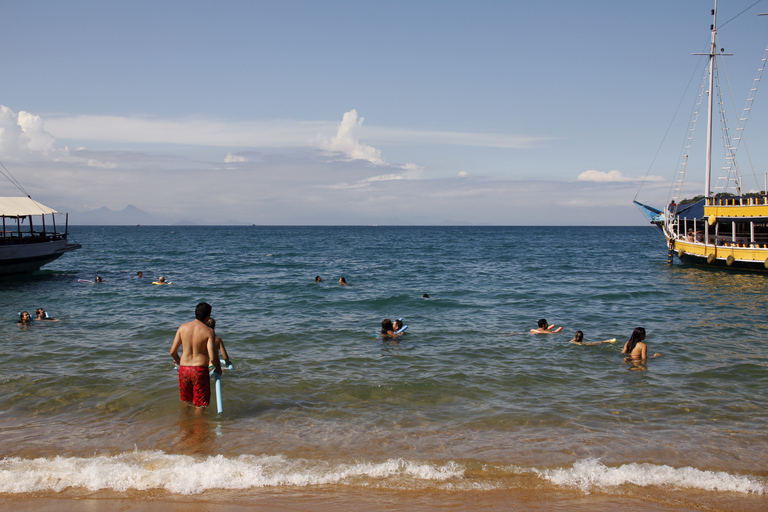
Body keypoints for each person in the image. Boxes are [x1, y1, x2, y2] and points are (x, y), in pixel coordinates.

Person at [170, 302, 221, 409]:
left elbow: (172, 352)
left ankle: (185, 424)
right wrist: (218, 368)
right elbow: (212, 357)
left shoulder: (182, 328)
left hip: (184, 369)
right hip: (199, 370)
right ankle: (199, 425)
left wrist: (178, 360)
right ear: (208, 316)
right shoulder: (208, 331)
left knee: (186, 402)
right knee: (200, 405)